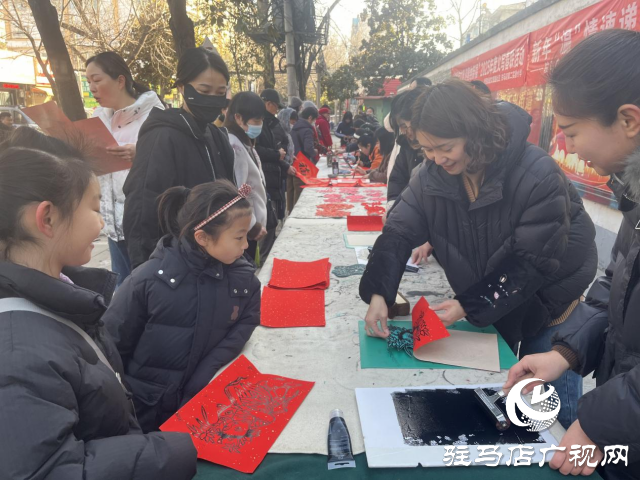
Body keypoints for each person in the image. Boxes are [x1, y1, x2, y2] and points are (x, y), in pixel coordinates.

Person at [360, 79, 597, 430]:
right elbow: (398, 231)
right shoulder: (431, 176)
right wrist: (380, 292)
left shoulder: (536, 172)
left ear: (474, 133)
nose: (436, 159)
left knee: (551, 412)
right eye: (426, 149)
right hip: (496, 293)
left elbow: (530, 262)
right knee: (499, 398)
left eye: (444, 147)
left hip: (549, 300)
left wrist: (466, 306)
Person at [0, 129, 197, 479]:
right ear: (47, 218)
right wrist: (171, 451)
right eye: (93, 207)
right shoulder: (19, 355)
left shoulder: (62, 296)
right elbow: (47, 470)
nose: (102, 221)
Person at [504, 29, 640, 479]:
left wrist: (601, 423)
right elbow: (613, 289)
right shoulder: (635, 196)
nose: (569, 148)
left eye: (572, 132)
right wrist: (564, 353)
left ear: (629, 120)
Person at [103, 180, 260, 433]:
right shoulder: (147, 281)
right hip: (146, 412)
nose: (245, 246)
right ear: (203, 238)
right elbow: (110, 347)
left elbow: (246, 323)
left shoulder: (244, 281)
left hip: (204, 407)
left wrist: (203, 378)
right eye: (239, 237)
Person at [123, 47, 235, 269]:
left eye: (220, 92)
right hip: (179, 266)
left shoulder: (215, 135)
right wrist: (151, 273)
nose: (212, 99)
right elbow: (142, 210)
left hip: (215, 262)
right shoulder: (162, 137)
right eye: (204, 90)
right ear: (182, 87)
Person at [86, 52, 164, 286]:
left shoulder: (154, 115)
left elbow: (173, 163)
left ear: (120, 81)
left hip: (143, 228)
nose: (92, 88)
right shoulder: (98, 117)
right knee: (123, 292)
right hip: (112, 227)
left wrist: (141, 154)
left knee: (146, 292)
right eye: (88, 81)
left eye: (97, 80)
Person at [224, 92, 269, 260]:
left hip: (250, 228)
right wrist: (251, 226)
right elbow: (236, 192)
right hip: (245, 229)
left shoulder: (243, 141)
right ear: (238, 118)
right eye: (256, 121)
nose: (260, 125)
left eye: (261, 121)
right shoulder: (234, 145)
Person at [386, 87, 427, 208]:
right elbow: (397, 178)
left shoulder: (436, 153)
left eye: (404, 125)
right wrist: (393, 203)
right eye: (401, 127)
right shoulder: (407, 145)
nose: (404, 131)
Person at [256, 88, 291, 224]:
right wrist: (277, 154)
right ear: (268, 104)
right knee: (267, 223)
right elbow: (257, 150)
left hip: (274, 175)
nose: (277, 110)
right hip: (265, 177)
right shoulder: (261, 124)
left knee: (273, 220)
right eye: (276, 106)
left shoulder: (270, 122)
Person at [289, 106, 319, 212]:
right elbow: (308, 148)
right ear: (310, 118)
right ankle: (298, 213)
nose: (314, 122)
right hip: (303, 163)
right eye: (314, 120)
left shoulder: (295, 127)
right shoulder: (307, 129)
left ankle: (291, 214)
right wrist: (314, 152)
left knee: (291, 191)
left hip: (292, 162)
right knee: (300, 191)